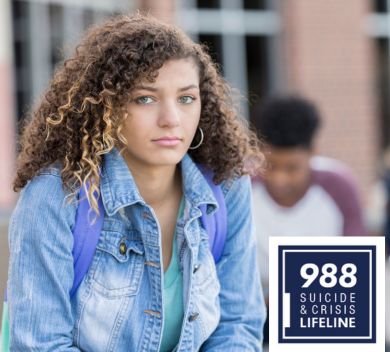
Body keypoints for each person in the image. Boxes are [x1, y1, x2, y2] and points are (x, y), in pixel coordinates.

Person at [6, 13, 266, 351]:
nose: (171, 119)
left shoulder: (226, 186)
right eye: (145, 98)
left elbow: (238, 326)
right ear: (106, 107)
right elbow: (40, 343)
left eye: (186, 98)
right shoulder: (56, 196)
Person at [250, 95, 367, 342]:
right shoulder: (242, 188)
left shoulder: (339, 187)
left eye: (292, 168)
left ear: (312, 153)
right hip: (255, 316)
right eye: (270, 165)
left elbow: (356, 279)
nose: (279, 179)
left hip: (323, 312)